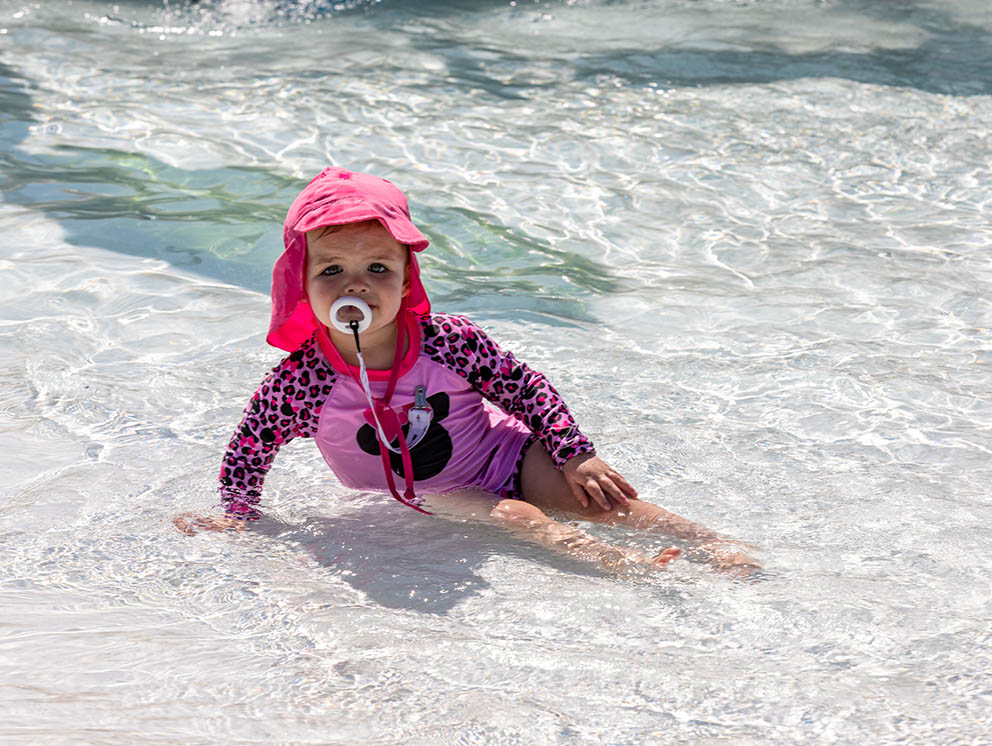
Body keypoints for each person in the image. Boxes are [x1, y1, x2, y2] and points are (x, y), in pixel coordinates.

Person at [174, 167, 759, 574]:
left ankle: (716, 547)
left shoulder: (447, 341)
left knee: (602, 501)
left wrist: (573, 451)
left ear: (408, 281)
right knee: (518, 516)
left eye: (378, 266)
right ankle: (628, 568)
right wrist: (237, 514)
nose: (355, 284)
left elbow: (523, 387)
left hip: (505, 454)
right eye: (331, 271)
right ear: (300, 285)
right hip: (435, 488)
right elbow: (251, 446)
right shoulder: (304, 381)